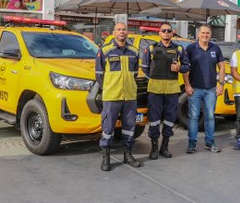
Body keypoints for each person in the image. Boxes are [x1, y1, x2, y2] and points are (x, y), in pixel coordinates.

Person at [95, 22, 142, 171]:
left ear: (127, 32)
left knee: (129, 126)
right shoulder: (105, 50)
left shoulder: (134, 51)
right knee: (108, 127)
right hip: (111, 96)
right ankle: (106, 157)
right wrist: (109, 87)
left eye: (124, 30)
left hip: (129, 96)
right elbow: (99, 75)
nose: (122, 32)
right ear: (114, 32)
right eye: (119, 30)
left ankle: (128, 155)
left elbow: (135, 74)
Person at [141, 22, 190, 160]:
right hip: (155, 89)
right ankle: (154, 148)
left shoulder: (179, 49)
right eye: (164, 30)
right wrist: (154, 77)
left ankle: (165, 147)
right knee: (154, 119)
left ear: (172, 32)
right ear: (159, 33)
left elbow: (187, 66)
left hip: (171, 89)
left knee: (169, 119)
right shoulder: (151, 48)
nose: (166, 33)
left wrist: (179, 68)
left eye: (169, 30)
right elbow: (144, 67)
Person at [183, 24, 225, 153]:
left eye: (208, 33)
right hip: (195, 89)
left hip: (211, 89)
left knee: (210, 117)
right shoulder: (190, 48)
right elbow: (185, 68)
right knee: (194, 117)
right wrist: (187, 85)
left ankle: (210, 142)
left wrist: (221, 84)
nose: (205, 35)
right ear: (198, 35)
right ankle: (192, 143)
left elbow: (222, 67)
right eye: (203, 33)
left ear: (210, 35)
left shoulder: (215, 48)